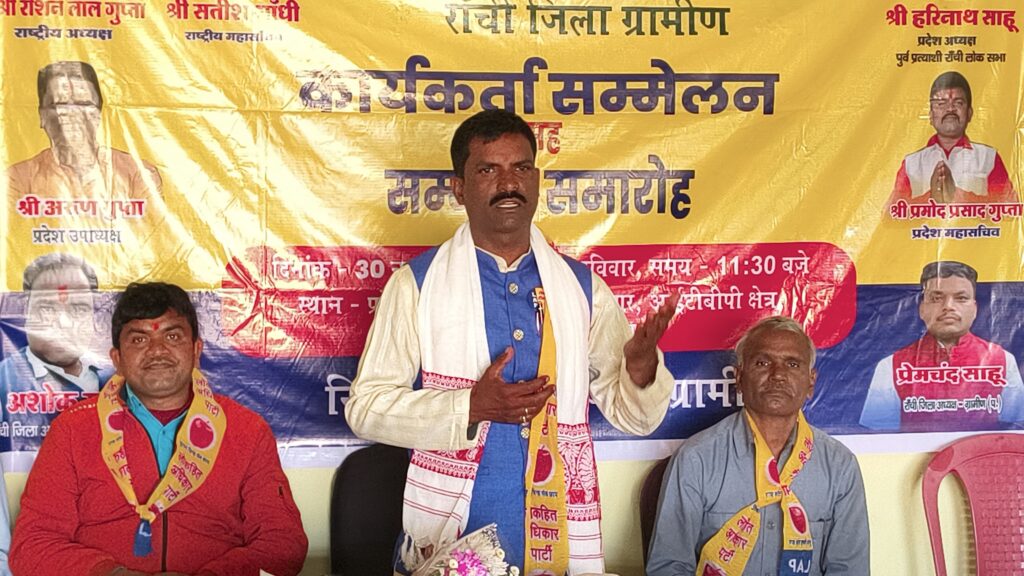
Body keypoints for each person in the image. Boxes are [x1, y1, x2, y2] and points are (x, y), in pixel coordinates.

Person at [345, 109, 678, 575]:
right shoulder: (416, 285)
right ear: (459, 188)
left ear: (536, 180)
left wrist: (641, 373)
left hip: (560, 544)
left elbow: (633, 417)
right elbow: (364, 409)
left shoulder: (582, 289)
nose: (508, 183)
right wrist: (469, 407)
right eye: (488, 170)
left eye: (520, 167)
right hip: (453, 545)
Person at [10, 282, 307, 575]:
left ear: (197, 350)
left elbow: (283, 544)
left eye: (173, 336)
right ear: (117, 359)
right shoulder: (73, 430)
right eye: (139, 339)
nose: (157, 350)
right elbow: (32, 545)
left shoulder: (247, 431)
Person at [647, 316, 869, 576]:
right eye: (763, 363)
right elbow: (668, 567)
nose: (778, 375)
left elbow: (849, 570)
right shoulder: (696, 459)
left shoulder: (840, 466)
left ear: (811, 382)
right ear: (739, 378)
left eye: (792, 364)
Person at [860, 261, 1024, 431]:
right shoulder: (892, 366)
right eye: (937, 298)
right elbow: (879, 436)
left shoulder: (1002, 360)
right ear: (922, 309)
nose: (948, 307)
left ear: (974, 309)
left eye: (961, 298)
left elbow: (1016, 430)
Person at [0, 253, 112, 452]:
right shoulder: (4, 378)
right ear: (25, 311)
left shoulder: (116, 378)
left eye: (78, 310)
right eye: (47, 309)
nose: (64, 323)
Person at [6, 61, 162, 200]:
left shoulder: (138, 174)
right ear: (42, 115)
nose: (73, 113)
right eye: (60, 103)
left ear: (98, 114)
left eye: (84, 104)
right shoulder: (17, 179)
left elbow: (153, 224)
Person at [887, 71, 1015, 206]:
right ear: (931, 115)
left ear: (969, 113)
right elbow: (891, 214)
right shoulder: (911, 164)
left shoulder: (988, 158)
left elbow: (1010, 210)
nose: (950, 109)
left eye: (958, 103)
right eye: (941, 103)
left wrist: (957, 196)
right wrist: (931, 197)